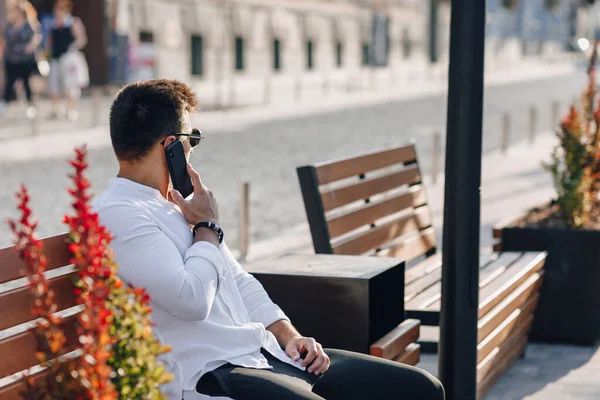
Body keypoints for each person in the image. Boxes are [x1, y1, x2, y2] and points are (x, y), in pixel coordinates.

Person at [93, 79, 445, 400]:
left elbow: (240, 282)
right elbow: (191, 299)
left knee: (420, 389)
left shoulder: (175, 204)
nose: (192, 150)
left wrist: (289, 336)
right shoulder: (119, 214)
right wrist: (207, 228)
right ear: (170, 146)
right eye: (192, 140)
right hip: (212, 372)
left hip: (264, 353)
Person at [46, 0, 87, 121]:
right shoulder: (53, 24)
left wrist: (72, 47)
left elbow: (81, 39)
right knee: (53, 84)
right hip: (55, 58)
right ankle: (55, 109)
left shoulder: (73, 22)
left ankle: (71, 109)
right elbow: (50, 41)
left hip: (69, 58)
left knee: (71, 84)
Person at [0, 0, 41, 118]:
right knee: (9, 82)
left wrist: (31, 46)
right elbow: (4, 41)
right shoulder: (9, 26)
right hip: (11, 58)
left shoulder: (29, 25)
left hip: (25, 59)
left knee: (27, 82)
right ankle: (4, 106)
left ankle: (30, 105)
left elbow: (36, 37)